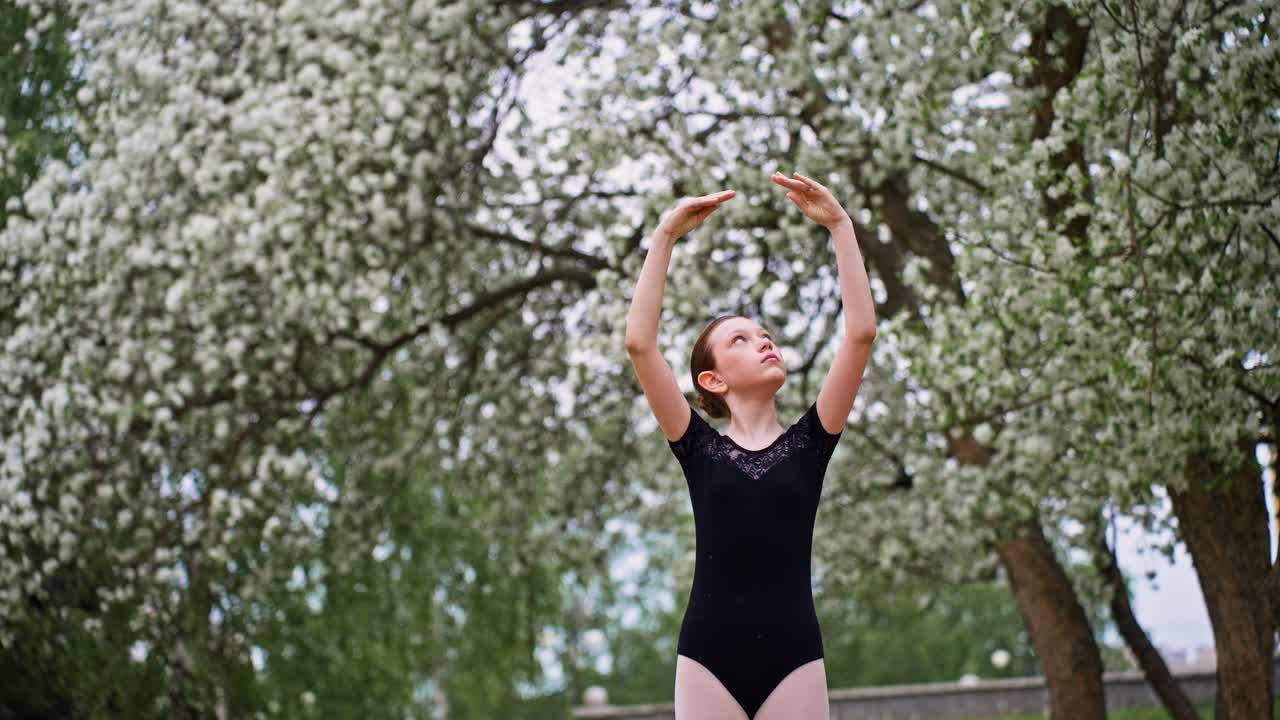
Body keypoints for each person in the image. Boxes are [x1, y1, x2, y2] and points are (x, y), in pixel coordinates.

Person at [624, 171, 878, 719]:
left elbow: (860, 332)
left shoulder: (812, 443)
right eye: (740, 339)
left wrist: (840, 226)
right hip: (707, 659)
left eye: (764, 335)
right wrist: (665, 236)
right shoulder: (697, 448)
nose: (763, 341)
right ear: (712, 380)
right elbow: (640, 343)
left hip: (795, 659)